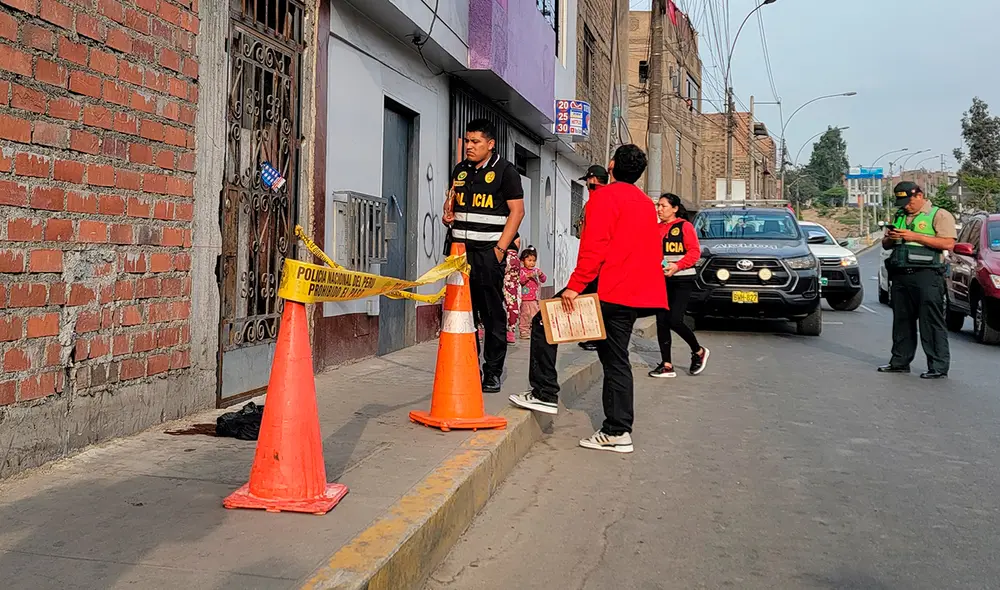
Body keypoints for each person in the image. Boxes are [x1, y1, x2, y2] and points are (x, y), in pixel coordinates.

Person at [508, 144, 667, 453]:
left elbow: (594, 248)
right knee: (616, 358)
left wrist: (574, 286)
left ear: (611, 166)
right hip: (630, 294)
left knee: (544, 323)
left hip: (605, 286)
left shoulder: (603, 199)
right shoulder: (646, 205)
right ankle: (618, 431)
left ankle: (544, 392)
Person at [443, 119, 525, 393]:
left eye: (475, 142)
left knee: (491, 316)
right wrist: (448, 213)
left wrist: (500, 249)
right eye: (467, 141)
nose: (469, 146)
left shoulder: (505, 172)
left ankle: (492, 372)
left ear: (490, 144)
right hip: (458, 255)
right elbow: (452, 201)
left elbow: (517, 212)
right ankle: (468, 367)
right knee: (462, 314)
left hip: (488, 256)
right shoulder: (461, 170)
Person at [878, 181, 957, 379]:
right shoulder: (900, 215)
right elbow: (886, 244)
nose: (906, 205)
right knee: (902, 321)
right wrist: (892, 237)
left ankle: (938, 366)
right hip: (901, 275)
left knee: (931, 321)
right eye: (902, 202)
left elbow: (948, 243)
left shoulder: (939, 214)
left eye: (909, 201)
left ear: (919, 195)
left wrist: (915, 236)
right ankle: (900, 361)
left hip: (927, 275)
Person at [649, 193, 710, 378]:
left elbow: (694, 252)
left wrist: (677, 266)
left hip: (682, 279)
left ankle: (698, 351)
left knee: (675, 320)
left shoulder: (685, 226)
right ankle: (667, 365)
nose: (659, 209)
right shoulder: (655, 228)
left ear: (675, 208)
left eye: (663, 206)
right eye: (658, 206)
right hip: (661, 280)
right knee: (661, 322)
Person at [576, 164, 609, 352]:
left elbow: (594, 236)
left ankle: (596, 338)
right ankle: (594, 336)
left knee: (593, 299)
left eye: (588, 181)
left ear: (593, 180)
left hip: (595, 262)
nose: (587, 185)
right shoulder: (602, 199)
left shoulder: (597, 200)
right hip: (599, 261)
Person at [517, 246, 547, 339]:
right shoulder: (521, 271)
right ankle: (524, 331)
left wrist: (541, 274)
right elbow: (521, 281)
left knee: (534, 315)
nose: (532, 263)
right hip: (525, 299)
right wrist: (528, 276)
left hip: (534, 299)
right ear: (523, 261)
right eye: (529, 260)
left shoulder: (536, 270)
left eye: (534, 261)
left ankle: (534, 330)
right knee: (525, 315)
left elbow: (544, 280)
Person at [503, 236, 522, 343]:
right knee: (512, 304)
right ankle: (510, 332)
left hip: (500, 256)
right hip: (511, 284)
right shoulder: (514, 256)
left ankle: (481, 329)